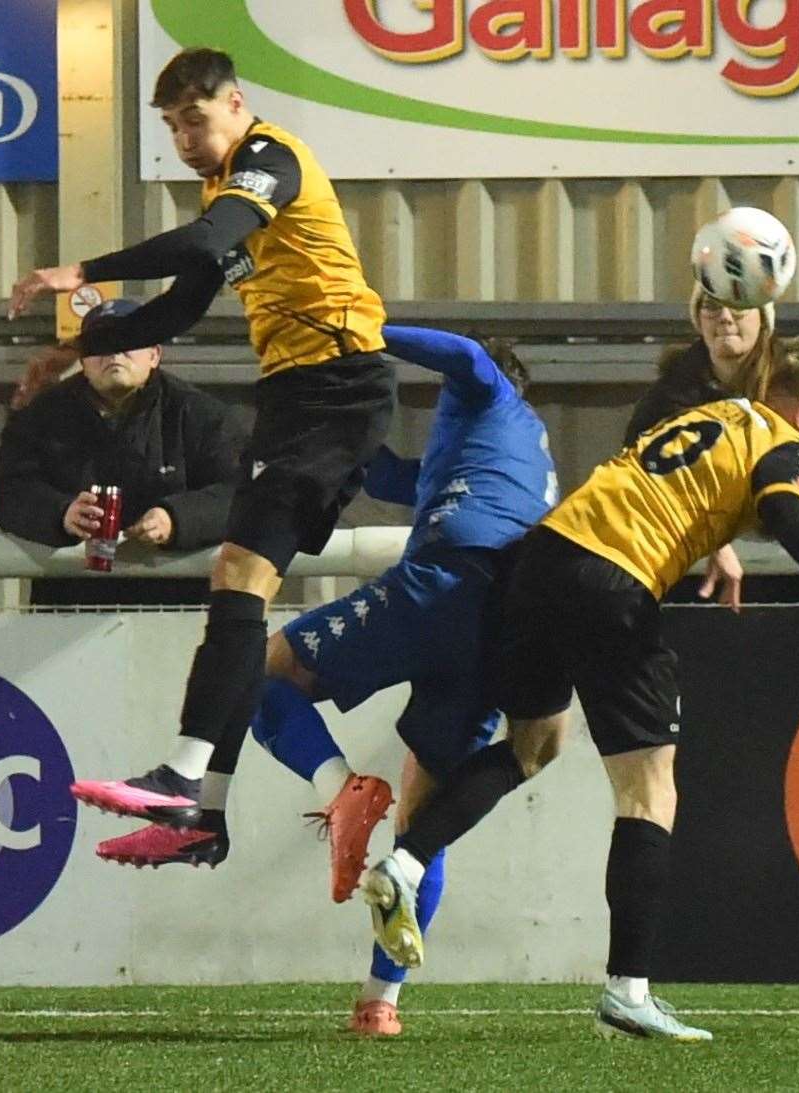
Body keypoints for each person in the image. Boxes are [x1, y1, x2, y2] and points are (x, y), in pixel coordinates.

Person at [363, 347, 799, 1042]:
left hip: (542, 562)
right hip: (614, 579)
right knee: (651, 790)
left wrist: (720, 540)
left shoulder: (715, 415)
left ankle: (405, 861)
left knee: (533, 745)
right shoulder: (780, 439)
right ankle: (628, 991)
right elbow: (793, 521)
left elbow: (684, 490)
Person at [92, 326, 558, 1036]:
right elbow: (380, 472)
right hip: (504, 625)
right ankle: (380, 1002)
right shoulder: (514, 459)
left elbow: (464, 356)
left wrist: (366, 329)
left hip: (447, 585)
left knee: (264, 669)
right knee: (420, 828)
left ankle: (340, 789)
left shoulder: (487, 396)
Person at [7, 48, 394, 828]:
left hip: (340, 387)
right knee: (236, 582)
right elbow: (181, 306)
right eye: (172, 125)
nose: (185, 137)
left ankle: (188, 782)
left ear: (236, 103)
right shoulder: (224, 187)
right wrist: (75, 351)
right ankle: (202, 810)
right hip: (293, 395)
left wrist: (75, 269)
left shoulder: (269, 160)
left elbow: (194, 246)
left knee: (242, 578)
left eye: (195, 117)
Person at [0, 298, 246, 606]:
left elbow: (240, 492)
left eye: (130, 340)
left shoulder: (200, 414)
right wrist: (62, 513)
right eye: (102, 343)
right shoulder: (41, 416)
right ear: (83, 360)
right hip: (71, 609)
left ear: (154, 354)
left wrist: (176, 518)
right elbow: (10, 491)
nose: (115, 352)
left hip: (176, 610)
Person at [626, 280, 799, 606]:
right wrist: (713, 539)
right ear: (698, 319)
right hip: (695, 594)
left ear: (763, 317)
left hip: (786, 592)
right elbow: (639, 488)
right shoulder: (666, 398)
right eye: (710, 306)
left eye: (738, 305)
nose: (724, 317)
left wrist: (772, 515)